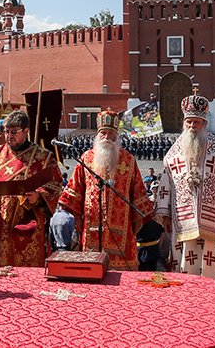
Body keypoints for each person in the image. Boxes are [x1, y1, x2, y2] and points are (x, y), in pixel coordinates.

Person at [155, 94, 215, 281]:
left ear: (205, 123)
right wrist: (166, 215)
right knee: (184, 265)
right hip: (182, 221)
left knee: (212, 265)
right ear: (184, 123)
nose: (192, 126)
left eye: (197, 122)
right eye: (189, 122)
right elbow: (165, 185)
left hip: (214, 221)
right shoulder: (173, 153)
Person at [55, 110, 154, 270]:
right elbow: (74, 191)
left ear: (117, 136)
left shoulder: (128, 161)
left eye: (111, 133)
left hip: (122, 229)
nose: (107, 137)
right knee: (92, 271)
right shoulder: (86, 158)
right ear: (97, 135)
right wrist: (78, 220)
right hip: (91, 227)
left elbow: (138, 194)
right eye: (103, 133)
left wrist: (137, 220)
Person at [0, 110, 64, 267]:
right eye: (6, 132)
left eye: (14, 132)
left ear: (26, 131)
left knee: (25, 269)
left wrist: (38, 196)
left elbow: (56, 184)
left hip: (27, 221)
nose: (9, 136)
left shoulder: (43, 157)